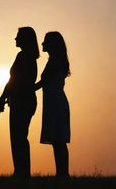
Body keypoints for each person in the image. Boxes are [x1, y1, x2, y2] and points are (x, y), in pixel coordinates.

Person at [0, 27, 39, 178]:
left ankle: (22, 172)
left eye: (18, 36)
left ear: (25, 39)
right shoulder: (28, 56)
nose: (15, 39)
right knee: (20, 137)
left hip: (22, 101)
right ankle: (21, 171)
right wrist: (3, 97)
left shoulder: (23, 56)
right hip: (24, 100)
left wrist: (1, 98)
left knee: (18, 137)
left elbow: (14, 80)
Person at [35, 31, 71, 178]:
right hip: (54, 102)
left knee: (59, 140)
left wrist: (23, 90)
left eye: (45, 41)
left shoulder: (55, 61)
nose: (42, 44)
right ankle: (62, 173)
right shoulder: (56, 60)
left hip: (56, 103)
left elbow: (43, 82)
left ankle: (63, 174)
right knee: (58, 140)